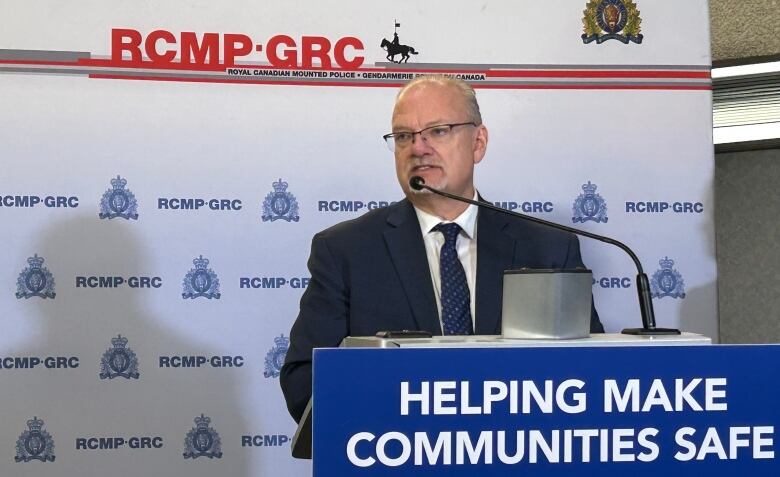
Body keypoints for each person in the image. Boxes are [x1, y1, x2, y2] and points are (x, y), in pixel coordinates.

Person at [280, 75, 603, 423]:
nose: (418, 148)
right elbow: (303, 384)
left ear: (478, 142)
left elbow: (595, 375)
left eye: (438, 131)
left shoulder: (548, 249)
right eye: (404, 136)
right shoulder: (346, 251)